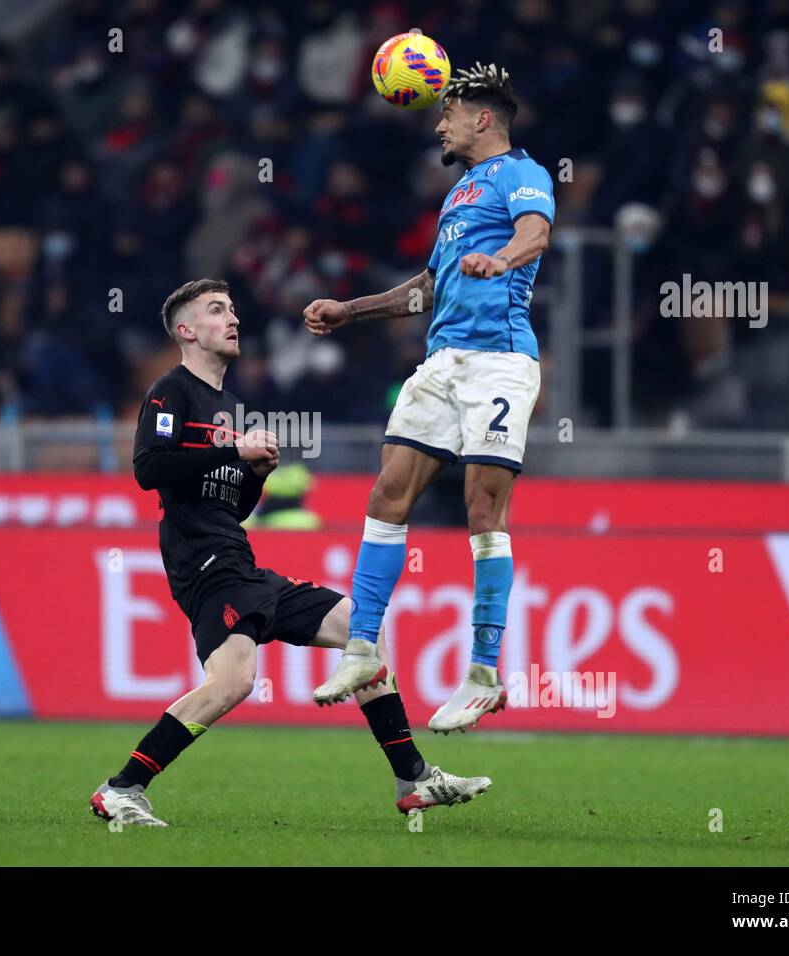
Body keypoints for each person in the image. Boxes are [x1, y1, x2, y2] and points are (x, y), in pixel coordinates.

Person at [89, 279, 490, 827]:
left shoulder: (229, 404)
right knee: (232, 682)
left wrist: (254, 476)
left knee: (358, 626)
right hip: (205, 565)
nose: (231, 318)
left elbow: (227, 499)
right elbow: (149, 469)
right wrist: (233, 447)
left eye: (231, 308)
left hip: (238, 558)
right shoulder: (171, 391)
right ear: (186, 331)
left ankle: (413, 778)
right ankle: (122, 788)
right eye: (215, 310)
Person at [303, 63, 553, 734]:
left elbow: (536, 233)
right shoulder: (458, 195)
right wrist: (351, 311)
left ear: (483, 119)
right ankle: (361, 646)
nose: (438, 124)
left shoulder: (522, 173)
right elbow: (429, 287)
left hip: (499, 363)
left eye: (448, 113)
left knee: (482, 507)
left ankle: (483, 673)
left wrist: (502, 260)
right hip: (441, 363)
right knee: (387, 493)